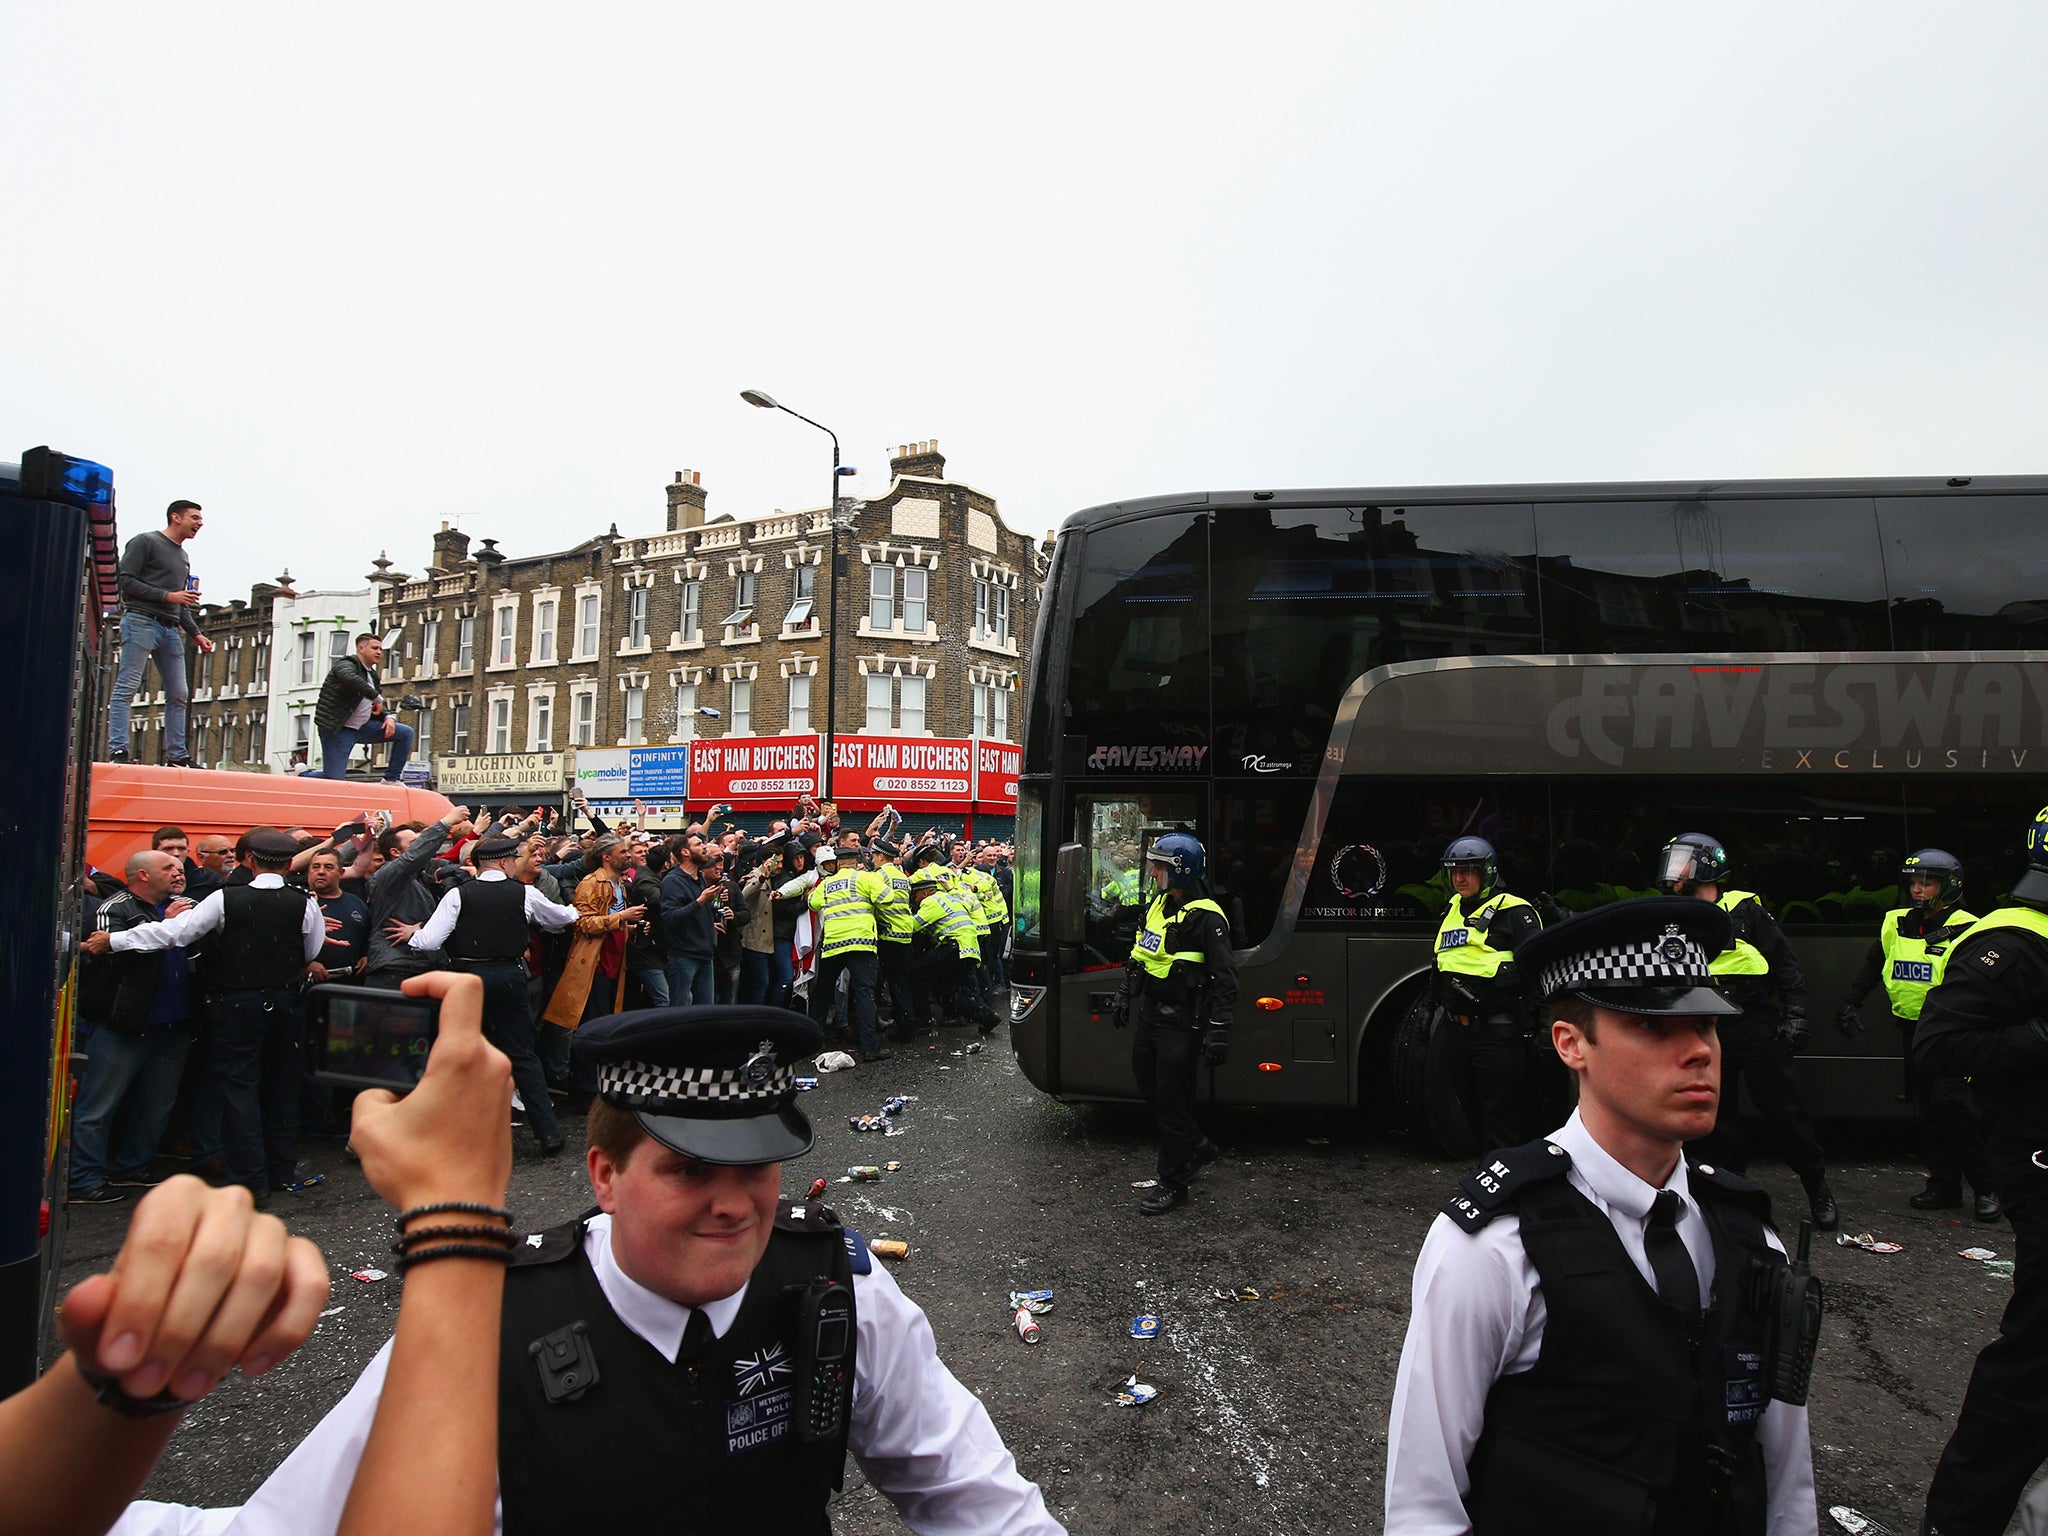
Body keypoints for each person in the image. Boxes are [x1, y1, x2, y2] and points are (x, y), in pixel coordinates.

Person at [193, 1003, 1066, 1536]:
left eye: (756, 1169)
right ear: (604, 1176)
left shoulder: (832, 1278)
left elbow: (964, 1484)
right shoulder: (485, 1320)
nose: (735, 1206)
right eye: (689, 1170)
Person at [1384, 896, 1817, 1533]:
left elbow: (1786, 1482)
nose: (1699, 1051)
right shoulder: (1499, 1245)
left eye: (1707, 1024)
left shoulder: (1750, 1239)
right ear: (1571, 1044)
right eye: (1654, 1027)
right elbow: (1425, 1504)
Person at [1911, 806, 2048, 1535]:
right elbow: (1939, 1048)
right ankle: (1962, 1518)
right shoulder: (2014, 939)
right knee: (2035, 1357)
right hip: (2039, 1160)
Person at [86, 828, 324, 1203]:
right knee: (282, 1086)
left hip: (238, 1004)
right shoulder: (303, 902)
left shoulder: (224, 899)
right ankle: (281, 1169)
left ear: (248, 860)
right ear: (291, 864)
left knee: (239, 1090)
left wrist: (114, 940)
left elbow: (174, 934)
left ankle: (252, 1181)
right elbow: (311, 950)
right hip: (284, 1004)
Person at [1658, 832, 1837, 1232]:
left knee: (1784, 1110)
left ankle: (1816, 1185)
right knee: (1716, 1119)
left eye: (1683, 863)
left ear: (1707, 867)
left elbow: (1785, 965)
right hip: (1705, 1027)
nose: (1675, 872)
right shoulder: (1671, 913)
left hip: (1752, 1023)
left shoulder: (1745, 908)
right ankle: (1729, 1195)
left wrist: (1795, 1015)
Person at [1834, 848, 1999, 1221]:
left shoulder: (1969, 926)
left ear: (1949, 886)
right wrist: (1852, 1001)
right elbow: (1876, 963)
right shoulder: (1896, 922)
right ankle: (1944, 1186)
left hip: (1953, 1031)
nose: (1918, 890)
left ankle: (1987, 1187)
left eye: (1927, 882)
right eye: (1913, 882)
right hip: (1911, 1027)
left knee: (1953, 1107)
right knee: (1930, 1112)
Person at [1119, 833, 1237, 1217]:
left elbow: (1225, 977)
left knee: (1171, 1100)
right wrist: (1125, 992)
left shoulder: (1207, 917)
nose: (1154, 873)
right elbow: (1141, 950)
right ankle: (1197, 1145)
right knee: (1149, 1085)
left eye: (1160, 867)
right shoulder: (1158, 905)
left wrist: (1219, 1028)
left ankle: (1174, 1181)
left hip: (1181, 1021)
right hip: (1151, 1014)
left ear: (1180, 870)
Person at [70, 851, 196, 1205]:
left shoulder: (184, 906)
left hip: (172, 1025)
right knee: (99, 1105)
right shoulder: (115, 908)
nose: (178, 872)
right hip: (123, 1025)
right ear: (142, 875)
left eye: (179, 867)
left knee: (158, 1104)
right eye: (168, 868)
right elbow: (109, 957)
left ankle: (133, 1166)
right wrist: (165, 925)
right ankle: (83, 1178)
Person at [1430, 836, 1541, 1152]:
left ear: (1488, 872)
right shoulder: (1450, 910)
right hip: (1457, 1032)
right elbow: (1440, 965)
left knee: (1502, 1117)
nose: (1460, 878)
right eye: (1454, 871)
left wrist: (1543, 1028)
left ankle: (1505, 1188)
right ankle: (1489, 1178)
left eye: (1469, 870)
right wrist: (1428, 1010)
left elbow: (1539, 974)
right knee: (1472, 1113)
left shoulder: (1516, 912)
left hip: (1499, 1031)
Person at [540, 835, 647, 1097]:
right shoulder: (590, 883)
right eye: (622, 851)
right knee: (592, 1027)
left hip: (615, 962)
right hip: (594, 965)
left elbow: (612, 922)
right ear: (606, 856)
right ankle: (585, 1090)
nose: (628, 855)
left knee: (609, 1025)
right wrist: (621, 917)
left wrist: (630, 928)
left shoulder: (619, 882)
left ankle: (601, 1083)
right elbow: (583, 924)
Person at [107, 499, 211, 768]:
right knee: (127, 687)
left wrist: (196, 634)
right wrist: (167, 595)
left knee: (179, 692)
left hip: (170, 628)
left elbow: (180, 602)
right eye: (195, 517)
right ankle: (118, 750)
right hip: (140, 621)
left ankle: (177, 756)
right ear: (176, 517)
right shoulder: (146, 542)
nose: (200, 523)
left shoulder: (183, 558)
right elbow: (125, 580)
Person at [807, 842, 889, 1062]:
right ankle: (870, 1048)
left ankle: (813, 1041)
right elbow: (887, 899)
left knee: (822, 993)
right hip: (861, 943)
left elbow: (813, 904)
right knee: (865, 993)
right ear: (857, 861)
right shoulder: (865, 878)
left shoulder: (827, 883)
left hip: (833, 944)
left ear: (837, 863)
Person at [313, 633, 415, 781]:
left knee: (406, 733)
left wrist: (388, 717)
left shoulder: (372, 676)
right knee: (333, 779)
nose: (379, 652)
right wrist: (376, 697)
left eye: (380, 648)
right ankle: (302, 775)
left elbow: (374, 706)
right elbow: (351, 680)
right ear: (361, 648)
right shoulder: (345, 665)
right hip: (339, 729)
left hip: (362, 727)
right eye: (374, 648)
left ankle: (391, 779)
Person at [659, 831, 721, 1006]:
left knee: (705, 1011)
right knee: (680, 1011)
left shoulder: (699, 878)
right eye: (698, 845)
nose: (704, 847)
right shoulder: (673, 881)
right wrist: (700, 901)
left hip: (705, 953)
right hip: (684, 955)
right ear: (685, 852)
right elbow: (670, 916)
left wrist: (709, 925)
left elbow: (695, 913)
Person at [871, 838, 918, 1043]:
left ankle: (905, 1028)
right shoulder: (901, 876)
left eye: (873, 856)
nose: (872, 860)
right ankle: (905, 1023)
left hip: (888, 935)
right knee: (901, 983)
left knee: (891, 983)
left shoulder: (880, 876)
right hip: (905, 934)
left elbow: (875, 902)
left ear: (881, 856)